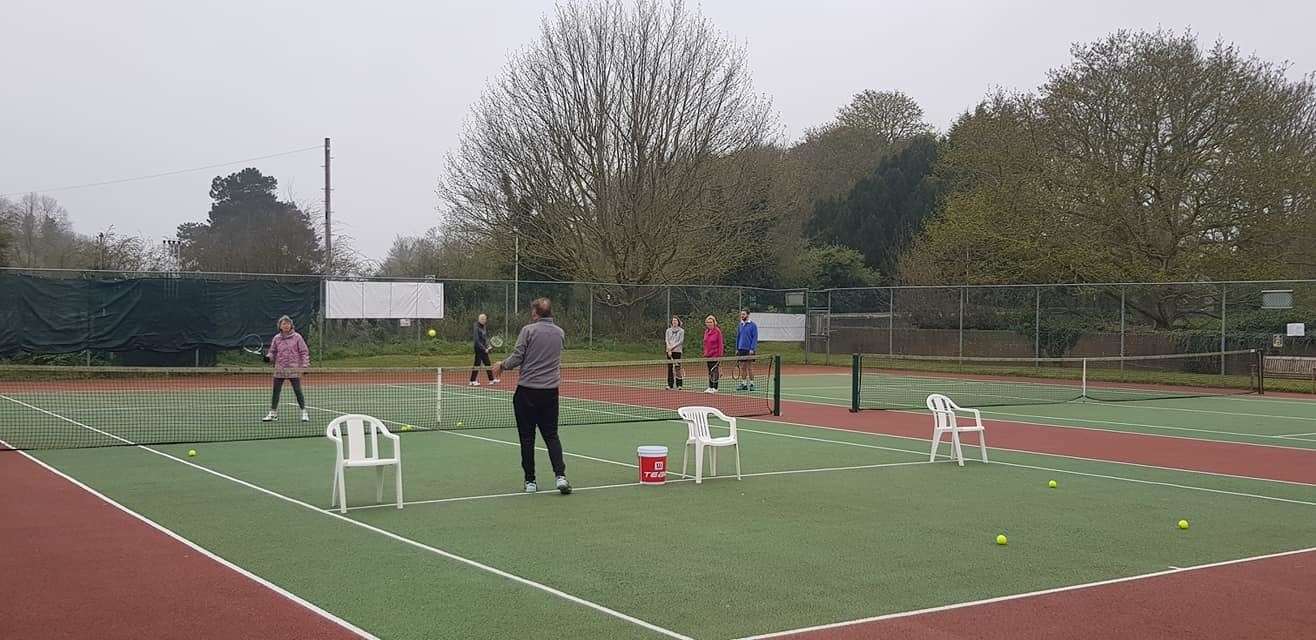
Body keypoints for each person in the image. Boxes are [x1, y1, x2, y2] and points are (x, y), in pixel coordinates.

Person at [493, 298, 571, 495]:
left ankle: (530, 481)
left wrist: (501, 365)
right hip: (550, 393)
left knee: (527, 439)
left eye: (532, 311)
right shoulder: (560, 333)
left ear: (536, 313)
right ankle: (560, 477)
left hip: (527, 393)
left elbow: (518, 357)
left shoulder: (528, 330)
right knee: (551, 436)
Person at [263, 315, 310, 422]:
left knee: (298, 391)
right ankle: (273, 413)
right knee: (276, 391)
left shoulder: (297, 337)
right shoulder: (276, 338)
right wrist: (268, 358)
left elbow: (304, 352)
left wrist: (304, 366)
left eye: (288, 323)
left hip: (293, 369)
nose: (286, 325)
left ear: (291, 325)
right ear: (280, 326)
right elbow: (272, 352)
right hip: (279, 369)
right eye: (284, 323)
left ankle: (304, 412)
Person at [469, 313, 500, 386]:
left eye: (485, 319)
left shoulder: (484, 326)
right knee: (477, 364)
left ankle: (491, 380)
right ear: (479, 319)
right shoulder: (476, 327)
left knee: (487, 363)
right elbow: (476, 341)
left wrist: (488, 345)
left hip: (483, 348)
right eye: (482, 319)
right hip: (478, 348)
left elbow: (484, 338)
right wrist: (484, 349)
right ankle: (472, 381)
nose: (484, 320)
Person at [735, 309, 759, 391]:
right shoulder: (740, 325)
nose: (742, 316)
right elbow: (738, 337)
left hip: (749, 350)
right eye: (741, 314)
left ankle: (752, 384)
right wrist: (737, 348)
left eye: (743, 314)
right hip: (741, 349)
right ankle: (744, 384)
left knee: (750, 367)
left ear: (748, 315)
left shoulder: (753, 325)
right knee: (742, 367)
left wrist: (752, 348)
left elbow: (755, 338)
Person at [702, 314, 723, 394]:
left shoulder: (717, 331)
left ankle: (715, 387)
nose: (709, 324)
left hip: (715, 355)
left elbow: (720, 344)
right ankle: (710, 386)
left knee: (715, 371)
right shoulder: (706, 332)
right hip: (708, 355)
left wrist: (720, 355)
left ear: (714, 323)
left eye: (711, 322)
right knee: (710, 371)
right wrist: (705, 352)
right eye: (708, 322)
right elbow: (705, 343)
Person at [664, 316, 684, 390]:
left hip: (677, 351)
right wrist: (669, 349)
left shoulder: (681, 331)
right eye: (673, 321)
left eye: (676, 321)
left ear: (678, 322)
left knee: (677, 367)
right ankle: (670, 385)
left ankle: (679, 385)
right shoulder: (668, 330)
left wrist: (672, 347)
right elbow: (666, 340)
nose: (674, 322)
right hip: (669, 351)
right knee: (670, 368)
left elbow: (680, 341)